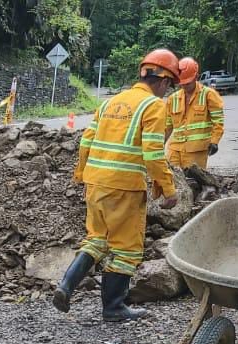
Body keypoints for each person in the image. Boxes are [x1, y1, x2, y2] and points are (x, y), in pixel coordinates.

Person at [53, 49, 180, 322]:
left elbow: (86, 141)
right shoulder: (153, 105)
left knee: (96, 239)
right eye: (169, 86)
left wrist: (82, 173)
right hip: (124, 187)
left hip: (95, 182)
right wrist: (168, 189)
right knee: (125, 248)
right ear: (164, 81)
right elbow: (153, 153)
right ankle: (113, 307)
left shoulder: (110, 102)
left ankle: (66, 285)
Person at [166, 57, 225, 169]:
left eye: (187, 83)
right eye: (181, 84)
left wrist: (214, 141)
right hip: (175, 149)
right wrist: (159, 145)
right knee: (172, 177)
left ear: (196, 77)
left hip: (197, 150)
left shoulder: (209, 95)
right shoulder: (172, 99)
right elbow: (167, 126)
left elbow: (218, 121)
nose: (184, 86)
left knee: (193, 178)